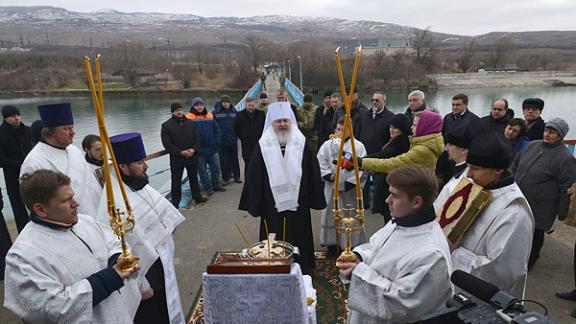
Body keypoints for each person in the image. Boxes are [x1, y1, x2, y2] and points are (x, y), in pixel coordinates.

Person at [4, 170, 140, 323]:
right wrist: (110, 277)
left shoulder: (85, 222)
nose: (76, 204)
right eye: (66, 200)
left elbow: (113, 242)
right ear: (40, 209)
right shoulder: (23, 255)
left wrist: (117, 258)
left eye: (73, 196)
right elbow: (52, 307)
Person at [338, 166, 452, 324]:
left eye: (394, 195)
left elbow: (399, 305)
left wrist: (357, 273)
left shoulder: (433, 255)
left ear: (416, 202)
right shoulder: (402, 220)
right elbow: (377, 247)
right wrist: (358, 256)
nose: (387, 200)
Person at [97, 132, 187, 324]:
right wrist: (143, 286)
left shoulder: (139, 184)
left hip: (162, 264)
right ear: (123, 166)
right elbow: (119, 252)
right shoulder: (114, 203)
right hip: (146, 275)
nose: (146, 166)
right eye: (139, 163)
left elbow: (166, 217)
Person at [239, 102, 326, 274]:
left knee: (300, 232)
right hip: (272, 204)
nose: (283, 124)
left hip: (298, 202)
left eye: (285, 120)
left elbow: (312, 170)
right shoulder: (263, 145)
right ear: (272, 122)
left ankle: (303, 265)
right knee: (273, 232)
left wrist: (313, 196)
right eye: (278, 121)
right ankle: (272, 264)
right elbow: (254, 176)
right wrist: (256, 202)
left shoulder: (301, 142)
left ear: (291, 121)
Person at [450, 131, 533, 296]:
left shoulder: (514, 212)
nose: (468, 174)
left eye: (475, 169)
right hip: (452, 290)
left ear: (498, 170)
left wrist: (452, 251)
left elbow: (501, 272)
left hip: (483, 304)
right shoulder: (473, 188)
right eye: (468, 166)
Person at [510, 118, 576, 271]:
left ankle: (530, 261)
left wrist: (562, 212)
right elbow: (516, 163)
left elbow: (566, 188)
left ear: (560, 135)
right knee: (518, 229)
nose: (547, 134)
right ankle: (516, 256)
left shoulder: (565, 158)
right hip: (520, 196)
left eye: (552, 132)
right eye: (547, 130)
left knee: (535, 233)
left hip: (542, 205)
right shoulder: (533, 145)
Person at [20, 103, 102, 217]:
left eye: (72, 127)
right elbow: (37, 204)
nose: (73, 132)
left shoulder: (74, 150)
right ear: (50, 131)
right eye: (66, 129)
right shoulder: (34, 162)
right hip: (69, 222)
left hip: (98, 215)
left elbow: (90, 184)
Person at [317, 116, 367, 257]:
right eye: (338, 129)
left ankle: (351, 245)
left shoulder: (358, 146)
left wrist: (347, 184)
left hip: (350, 191)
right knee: (331, 216)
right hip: (331, 188)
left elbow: (361, 167)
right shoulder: (328, 145)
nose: (340, 132)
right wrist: (330, 176)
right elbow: (321, 161)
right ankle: (332, 245)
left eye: (344, 129)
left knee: (349, 216)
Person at [359, 111, 444, 174]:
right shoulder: (424, 144)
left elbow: (392, 164)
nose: (411, 127)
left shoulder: (422, 150)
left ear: (424, 127)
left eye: (415, 125)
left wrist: (362, 162)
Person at [161, 102, 206, 208]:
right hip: (177, 159)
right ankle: (175, 203)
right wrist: (180, 152)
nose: (179, 112)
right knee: (176, 183)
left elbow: (197, 138)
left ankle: (197, 197)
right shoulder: (166, 125)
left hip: (192, 156)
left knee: (194, 179)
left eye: (181, 109)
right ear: (172, 112)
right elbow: (167, 144)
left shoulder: (191, 123)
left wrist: (194, 149)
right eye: (177, 110)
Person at [368, 114, 411, 223]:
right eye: (391, 127)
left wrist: (362, 161)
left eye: (395, 128)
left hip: (393, 181)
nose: (391, 130)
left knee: (390, 214)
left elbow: (383, 155)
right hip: (390, 179)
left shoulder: (400, 143)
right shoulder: (396, 140)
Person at [433, 121, 479, 212]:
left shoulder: (467, 180)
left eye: (450, 145)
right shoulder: (459, 169)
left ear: (464, 150)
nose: (446, 148)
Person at [0, 105, 32, 232]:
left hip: (32, 173)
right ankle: (24, 232)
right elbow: (1, 160)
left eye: (18, 115)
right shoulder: (1, 134)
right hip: (12, 176)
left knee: (38, 202)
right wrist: (21, 164)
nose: (17, 118)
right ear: (5, 118)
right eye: (13, 116)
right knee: (18, 208)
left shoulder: (28, 131)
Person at [437, 94, 480, 186]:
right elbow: (443, 135)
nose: (455, 107)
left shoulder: (474, 120)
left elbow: (475, 142)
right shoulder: (448, 118)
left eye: (458, 105)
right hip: (446, 157)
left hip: (462, 158)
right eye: (453, 105)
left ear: (466, 104)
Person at [186, 98, 226, 195]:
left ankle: (216, 185)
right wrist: (194, 148)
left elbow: (217, 130)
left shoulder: (210, 116)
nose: (199, 107)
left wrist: (216, 142)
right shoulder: (189, 117)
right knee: (202, 171)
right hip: (199, 151)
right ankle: (208, 188)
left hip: (212, 148)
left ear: (204, 105)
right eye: (197, 105)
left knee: (216, 168)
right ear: (193, 106)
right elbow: (187, 134)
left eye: (201, 105)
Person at [213, 95, 241, 185]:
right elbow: (213, 127)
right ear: (221, 103)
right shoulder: (216, 113)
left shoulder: (234, 111)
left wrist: (237, 135)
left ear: (229, 102)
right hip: (222, 141)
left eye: (227, 102)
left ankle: (237, 177)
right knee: (223, 160)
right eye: (223, 102)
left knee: (234, 159)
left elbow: (238, 124)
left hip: (233, 139)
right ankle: (226, 178)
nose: (225, 104)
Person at [234, 97, 265, 177]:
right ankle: (248, 181)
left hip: (258, 142)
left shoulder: (261, 114)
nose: (251, 107)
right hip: (246, 143)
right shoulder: (239, 114)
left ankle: (259, 178)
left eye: (252, 105)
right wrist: (243, 137)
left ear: (255, 104)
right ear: (245, 105)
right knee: (248, 162)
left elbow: (265, 127)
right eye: (249, 105)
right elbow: (236, 128)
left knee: (259, 161)